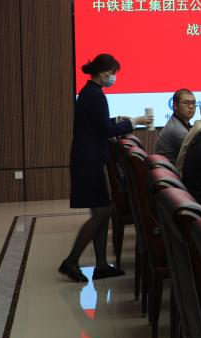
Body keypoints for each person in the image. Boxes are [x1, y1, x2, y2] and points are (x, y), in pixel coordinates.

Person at [60, 53, 152, 282]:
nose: (113, 78)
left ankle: (101, 265)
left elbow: (98, 124)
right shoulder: (95, 95)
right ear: (103, 73)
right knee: (102, 213)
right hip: (88, 162)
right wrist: (133, 122)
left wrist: (118, 119)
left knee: (102, 213)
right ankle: (71, 261)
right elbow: (104, 131)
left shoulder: (90, 92)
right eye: (112, 74)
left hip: (88, 160)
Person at [154, 88, 196, 163]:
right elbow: (198, 154)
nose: (191, 106)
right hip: (172, 170)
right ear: (175, 106)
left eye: (193, 103)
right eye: (186, 103)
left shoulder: (177, 122)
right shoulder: (177, 129)